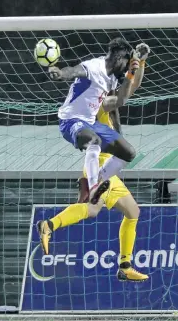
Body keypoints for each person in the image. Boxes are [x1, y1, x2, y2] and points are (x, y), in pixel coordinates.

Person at [37, 43, 150, 281]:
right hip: (96, 157)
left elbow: (128, 91)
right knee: (92, 208)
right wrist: (62, 73)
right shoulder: (97, 95)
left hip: (107, 163)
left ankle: (124, 265)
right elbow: (80, 73)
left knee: (129, 211)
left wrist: (138, 65)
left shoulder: (106, 87)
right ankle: (51, 224)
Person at [49, 38, 143, 205]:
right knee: (94, 141)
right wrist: (61, 74)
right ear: (119, 58)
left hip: (91, 123)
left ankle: (93, 183)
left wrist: (131, 73)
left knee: (128, 152)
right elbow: (73, 71)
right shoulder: (94, 67)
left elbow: (119, 102)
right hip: (71, 120)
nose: (126, 68)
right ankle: (94, 189)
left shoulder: (112, 78)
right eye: (126, 64)